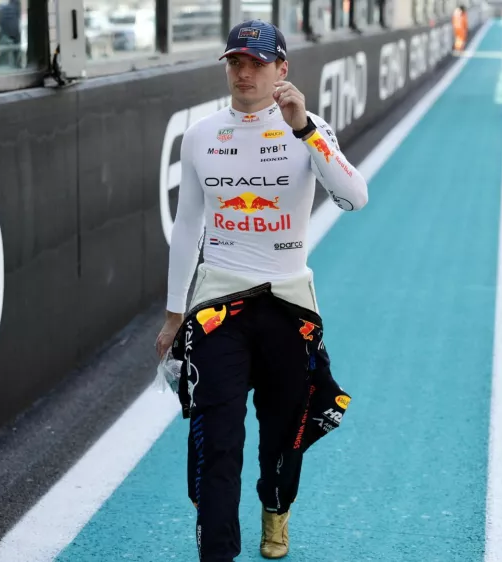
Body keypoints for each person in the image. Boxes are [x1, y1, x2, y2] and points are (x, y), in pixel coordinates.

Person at [154, 19, 368, 561]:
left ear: (281, 69)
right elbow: (187, 226)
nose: (244, 72)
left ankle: (276, 507)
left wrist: (306, 130)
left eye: (256, 63)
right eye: (235, 62)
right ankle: (217, 552)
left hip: (288, 306)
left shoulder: (309, 129)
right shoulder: (201, 135)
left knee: (281, 433)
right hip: (217, 307)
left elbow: (354, 198)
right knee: (217, 442)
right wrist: (175, 313)